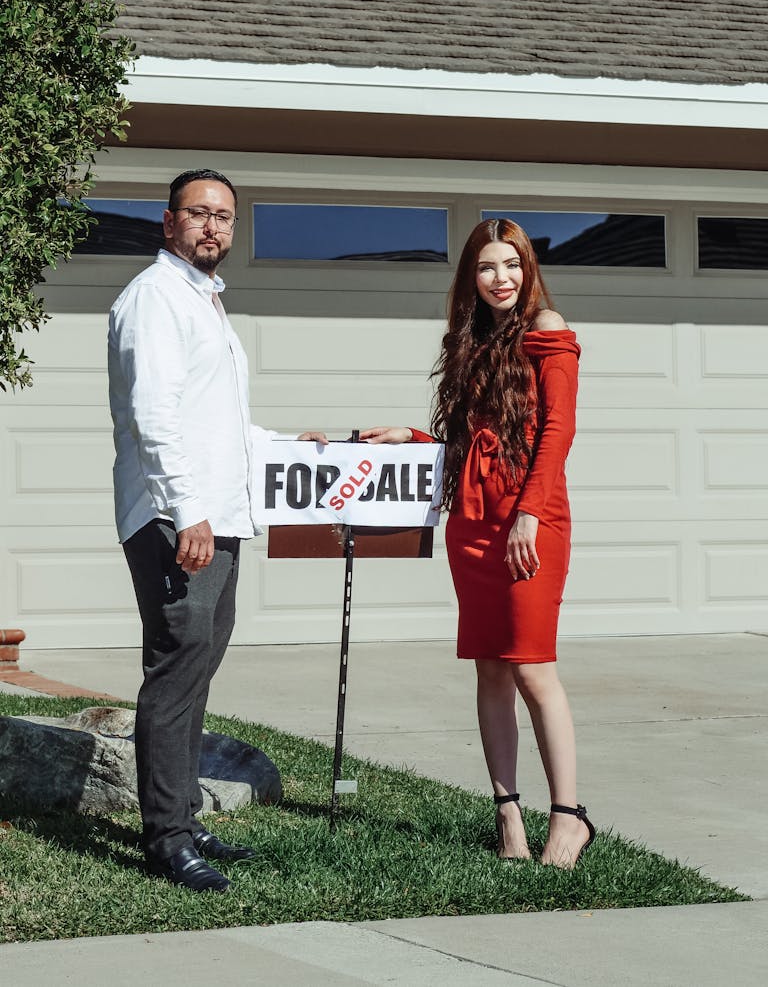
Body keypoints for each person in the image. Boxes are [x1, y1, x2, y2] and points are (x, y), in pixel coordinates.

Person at [108, 169, 324, 892]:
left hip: (215, 517)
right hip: (179, 520)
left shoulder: (203, 303)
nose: (213, 227)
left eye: (224, 217)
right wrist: (185, 511)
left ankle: (184, 811)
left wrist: (290, 441)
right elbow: (155, 416)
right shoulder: (155, 298)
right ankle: (166, 837)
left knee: (197, 668)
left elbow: (216, 424)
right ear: (168, 222)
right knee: (175, 669)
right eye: (199, 214)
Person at [362, 218, 593, 868]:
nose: (502, 278)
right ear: (472, 276)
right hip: (472, 521)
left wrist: (528, 513)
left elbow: (557, 432)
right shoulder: (470, 342)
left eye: (512, 265)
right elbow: (469, 442)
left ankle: (569, 817)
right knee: (490, 666)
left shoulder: (547, 328)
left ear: (528, 269)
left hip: (530, 518)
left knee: (531, 665)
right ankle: (509, 818)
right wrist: (414, 438)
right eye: (488, 267)